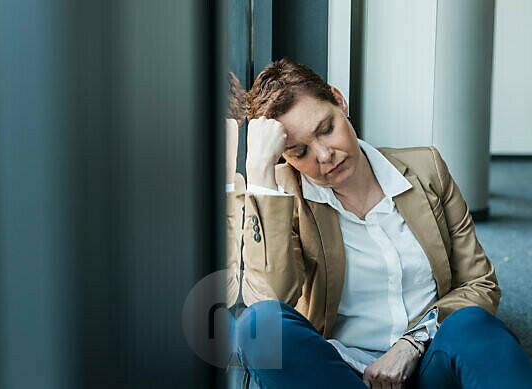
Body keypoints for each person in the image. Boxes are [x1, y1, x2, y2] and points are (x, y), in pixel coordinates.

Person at [225, 58, 532, 389]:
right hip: (340, 371)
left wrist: (412, 343)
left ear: (339, 101)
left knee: (473, 324)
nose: (325, 156)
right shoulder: (285, 197)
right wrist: (259, 174)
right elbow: (272, 301)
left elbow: (480, 284)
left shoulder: (425, 168)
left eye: (326, 129)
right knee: (258, 326)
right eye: (299, 151)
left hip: (429, 358)